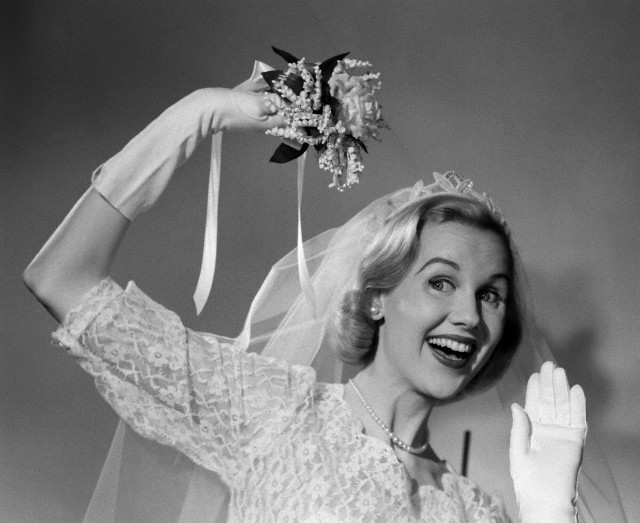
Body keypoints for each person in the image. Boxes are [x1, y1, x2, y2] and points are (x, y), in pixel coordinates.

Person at [24, 83, 590, 522]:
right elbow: (62, 279)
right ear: (376, 299)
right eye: (440, 282)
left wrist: (548, 511)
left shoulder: (475, 511)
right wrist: (198, 114)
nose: (470, 315)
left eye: (490, 294)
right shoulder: (276, 414)